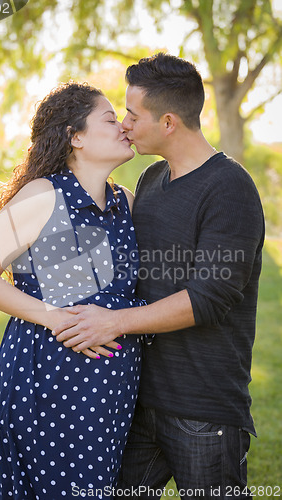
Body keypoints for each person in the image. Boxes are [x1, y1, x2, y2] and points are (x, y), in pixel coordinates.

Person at [52, 54, 265, 499]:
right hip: (141, 399)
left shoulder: (229, 188)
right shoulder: (150, 180)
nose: (124, 124)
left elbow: (208, 296)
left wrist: (114, 322)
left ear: (168, 122)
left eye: (132, 114)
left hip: (203, 409)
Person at [0, 82, 145, 499]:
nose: (124, 127)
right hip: (46, 375)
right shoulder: (42, 194)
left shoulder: (128, 203)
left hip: (113, 384)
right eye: (111, 118)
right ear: (75, 136)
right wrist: (55, 317)